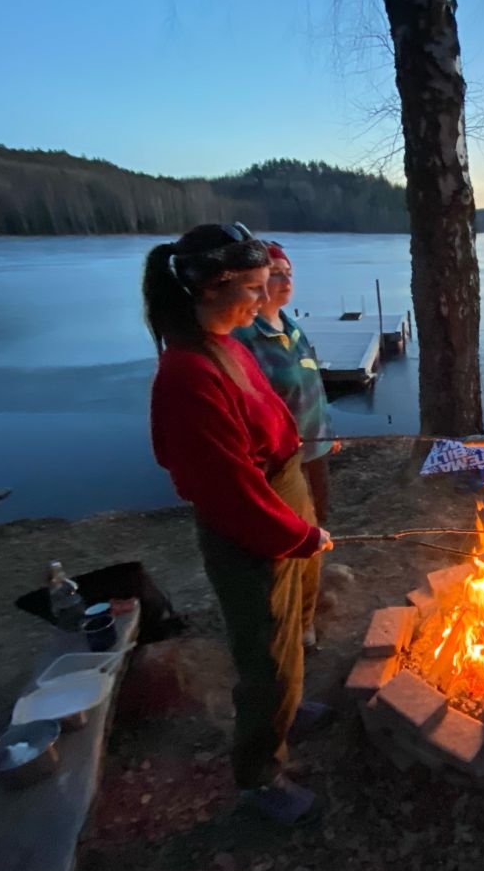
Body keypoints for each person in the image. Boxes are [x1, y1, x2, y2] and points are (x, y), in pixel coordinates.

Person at [144, 222, 333, 826]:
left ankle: (292, 705)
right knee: (266, 653)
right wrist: (298, 534)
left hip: (284, 490)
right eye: (252, 288)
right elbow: (227, 493)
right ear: (211, 288)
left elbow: (269, 413)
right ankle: (260, 778)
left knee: (295, 616)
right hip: (252, 523)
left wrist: (299, 470)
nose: (262, 300)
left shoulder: (225, 341)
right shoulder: (187, 375)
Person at [233, 241, 339, 649]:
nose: (284, 281)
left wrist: (328, 433)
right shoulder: (245, 339)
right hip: (280, 462)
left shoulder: (291, 327)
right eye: (274, 273)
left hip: (315, 449)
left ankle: (310, 598)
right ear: (255, 283)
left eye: (288, 273)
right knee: (289, 538)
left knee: (317, 525)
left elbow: (311, 383)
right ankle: (297, 620)